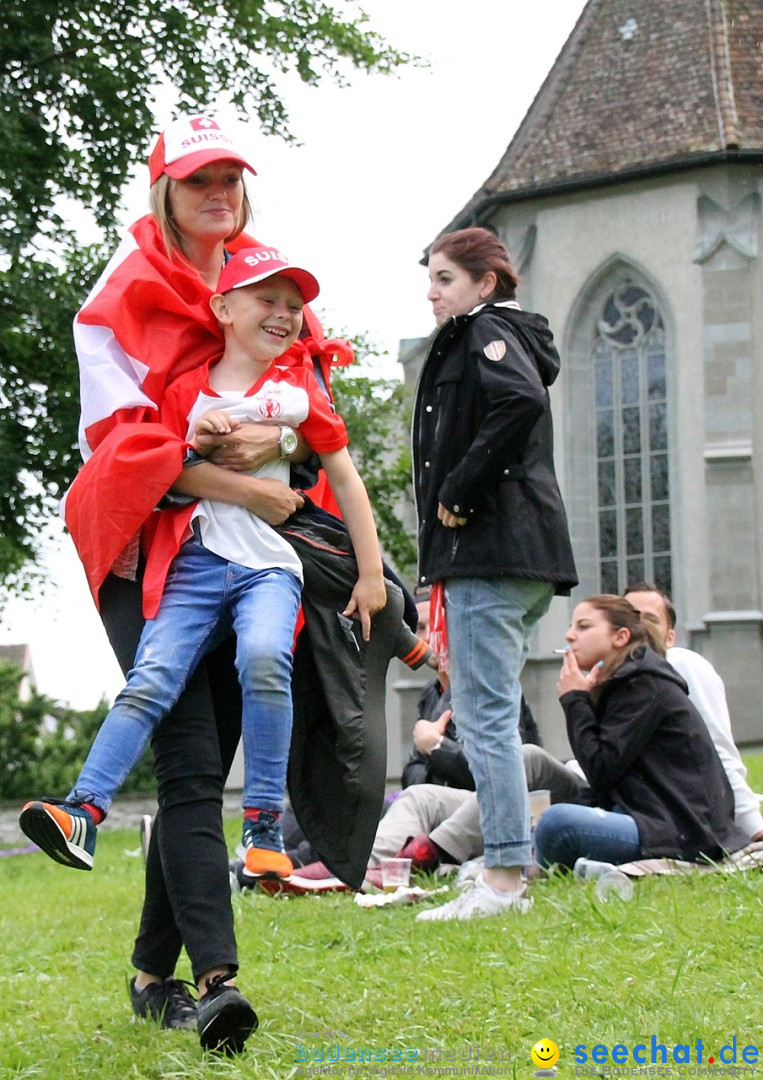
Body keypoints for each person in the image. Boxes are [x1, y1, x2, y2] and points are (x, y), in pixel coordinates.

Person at [28, 113, 350, 1053]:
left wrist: (279, 442)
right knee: (190, 760)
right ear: (162, 189)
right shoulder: (117, 298)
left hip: (246, 555)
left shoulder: (270, 277)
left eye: (231, 181)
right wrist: (242, 472)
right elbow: (125, 452)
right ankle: (217, 985)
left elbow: (311, 406)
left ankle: (146, 975)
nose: (218, 196)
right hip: (142, 546)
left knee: (205, 762)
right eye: (198, 181)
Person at [20, 248, 387, 884]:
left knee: (267, 660)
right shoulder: (185, 389)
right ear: (221, 307)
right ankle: (82, 811)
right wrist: (198, 441)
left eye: (294, 307)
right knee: (151, 676)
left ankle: (264, 828)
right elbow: (158, 466)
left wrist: (372, 573)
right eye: (266, 300)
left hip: (270, 568)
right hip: (194, 565)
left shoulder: (299, 391)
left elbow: (346, 482)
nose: (283, 314)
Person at [411, 226, 577, 921]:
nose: (432, 291)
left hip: (491, 549)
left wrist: (458, 490)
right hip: (512, 553)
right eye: (430, 279)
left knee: (482, 719)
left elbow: (517, 404)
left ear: (485, 283)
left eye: (445, 278)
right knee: (489, 713)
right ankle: (502, 859)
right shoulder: (492, 334)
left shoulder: (486, 331)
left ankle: (505, 876)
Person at [533, 595, 749, 870]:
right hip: (640, 812)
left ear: (620, 637)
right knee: (532, 762)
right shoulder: (622, 681)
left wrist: (576, 701)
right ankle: (490, 846)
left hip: (679, 830)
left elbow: (600, 769)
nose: (569, 635)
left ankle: (529, 866)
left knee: (556, 823)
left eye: (583, 627)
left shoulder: (643, 685)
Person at [623, 583, 763, 842]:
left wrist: (755, 828)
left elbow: (718, 749)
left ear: (669, 637)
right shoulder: (609, 681)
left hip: (670, 821)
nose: (639, 627)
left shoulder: (682, 665)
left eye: (650, 619)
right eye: (631, 618)